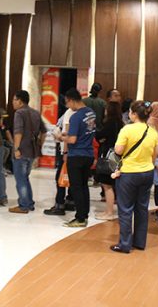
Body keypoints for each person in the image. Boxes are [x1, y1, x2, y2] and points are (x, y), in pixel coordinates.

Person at [109, 101, 158, 253]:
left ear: (135, 114)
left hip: (129, 173)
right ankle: (140, 242)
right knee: (142, 208)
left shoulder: (127, 129)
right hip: (147, 172)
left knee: (125, 209)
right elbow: (155, 155)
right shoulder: (152, 131)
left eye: (130, 111)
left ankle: (125, 244)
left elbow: (118, 150)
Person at [60, 88, 96, 227]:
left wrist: (60, 137)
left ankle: (80, 218)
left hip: (76, 156)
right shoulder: (90, 113)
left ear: (71, 100)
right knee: (84, 186)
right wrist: (67, 135)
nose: (68, 106)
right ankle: (84, 215)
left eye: (67, 103)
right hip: (88, 154)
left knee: (76, 188)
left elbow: (73, 140)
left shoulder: (75, 117)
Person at [9, 90, 46, 214]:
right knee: (25, 178)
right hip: (32, 151)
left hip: (22, 151)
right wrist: (40, 144)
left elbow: (18, 132)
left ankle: (24, 206)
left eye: (14, 99)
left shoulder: (19, 113)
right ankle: (29, 203)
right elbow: (44, 131)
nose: (13, 102)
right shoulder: (35, 113)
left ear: (20, 101)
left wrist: (16, 149)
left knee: (20, 179)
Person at [94, 101, 124, 220]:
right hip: (118, 156)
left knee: (107, 185)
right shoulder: (121, 123)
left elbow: (99, 135)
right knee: (114, 184)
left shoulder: (109, 123)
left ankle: (109, 212)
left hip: (109, 155)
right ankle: (111, 211)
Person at [44, 108, 76, 216]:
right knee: (72, 177)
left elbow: (65, 134)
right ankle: (70, 201)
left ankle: (59, 204)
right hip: (76, 152)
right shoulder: (83, 113)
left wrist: (65, 152)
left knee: (60, 177)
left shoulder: (69, 113)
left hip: (66, 151)